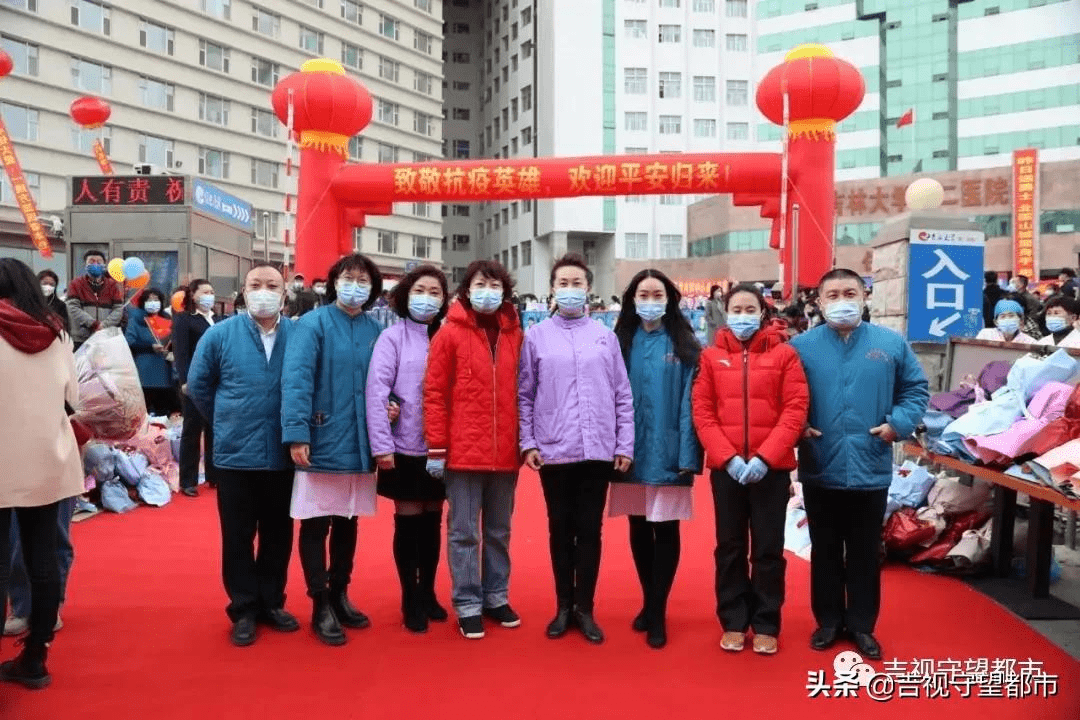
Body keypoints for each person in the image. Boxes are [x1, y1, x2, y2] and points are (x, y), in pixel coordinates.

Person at [790, 269, 929, 661]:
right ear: (819, 302)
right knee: (826, 548)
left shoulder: (890, 344)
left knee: (867, 550)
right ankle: (828, 621)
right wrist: (797, 425)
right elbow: (784, 393)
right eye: (832, 294)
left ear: (865, 296)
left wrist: (897, 425)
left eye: (849, 292)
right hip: (821, 463)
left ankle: (863, 625)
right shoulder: (801, 346)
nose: (841, 300)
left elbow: (915, 388)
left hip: (871, 464)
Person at [518, 255, 634, 646]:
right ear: (552, 288)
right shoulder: (535, 336)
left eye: (577, 282)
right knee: (559, 528)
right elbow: (525, 394)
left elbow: (622, 394)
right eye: (563, 282)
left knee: (590, 530)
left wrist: (624, 443)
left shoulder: (605, 336)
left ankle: (585, 607)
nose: (570, 288)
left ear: (588, 287)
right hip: (554, 448)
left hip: (597, 449)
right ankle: (562, 605)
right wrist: (528, 442)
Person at [692, 283, 808, 656]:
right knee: (729, 545)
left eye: (749, 308)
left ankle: (766, 621)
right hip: (727, 470)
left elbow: (795, 409)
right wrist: (727, 457)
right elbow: (703, 411)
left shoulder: (785, 355)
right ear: (726, 313)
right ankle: (733, 620)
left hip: (769, 470)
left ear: (762, 312)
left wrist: (765, 457)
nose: (743, 315)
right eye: (736, 309)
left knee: (769, 547)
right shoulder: (710, 357)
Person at [187, 263, 298, 647]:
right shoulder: (220, 335)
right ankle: (244, 607)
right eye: (256, 285)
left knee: (278, 534)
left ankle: (272, 602)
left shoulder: (299, 335)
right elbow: (199, 386)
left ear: (284, 294)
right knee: (237, 536)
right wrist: (227, 419)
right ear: (243, 291)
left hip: (285, 454)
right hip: (235, 454)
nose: (263, 291)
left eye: (272, 285)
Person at [282, 253, 383, 646]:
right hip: (322, 434)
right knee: (316, 521)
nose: (354, 285)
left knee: (348, 519)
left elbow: (381, 380)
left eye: (362, 280)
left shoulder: (376, 329)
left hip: (360, 440)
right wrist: (297, 432)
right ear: (333, 281)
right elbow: (297, 380)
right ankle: (319, 601)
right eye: (348, 277)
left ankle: (340, 592)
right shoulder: (312, 324)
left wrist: (390, 404)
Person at [424, 260, 523, 640]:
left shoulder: (514, 333)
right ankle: (467, 602)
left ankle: (496, 595)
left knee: (499, 530)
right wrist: (437, 447)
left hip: (504, 453)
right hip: (463, 454)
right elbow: (434, 393)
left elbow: (524, 389)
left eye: (495, 284)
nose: (488, 290)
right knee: (464, 532)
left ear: (505, 291)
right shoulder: (449, 334)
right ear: (467, 289)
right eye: (480, 283)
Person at [0, 258, 85, 689]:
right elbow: (73, 395)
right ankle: (36, 658)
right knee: (43, 558)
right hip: (48, 455)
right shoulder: (57, 331)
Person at [610, 269, 701, 649]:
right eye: (642, 294)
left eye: (657, 293)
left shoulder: (685, 345)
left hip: (668, 450)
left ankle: (658, 610)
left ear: (670, 298)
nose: (650, 300)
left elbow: (691, 405)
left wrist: (687, 454)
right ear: (631, 299)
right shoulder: (619, 343)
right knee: (637, 528)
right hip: (628, 452)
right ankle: (649, 601)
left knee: (665, 529)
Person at [366, 265, 450, 634]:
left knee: (434, 520)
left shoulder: (449, 336)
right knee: (409, 520)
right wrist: (382, 445)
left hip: (441, 447)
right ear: (405, 294)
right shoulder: (392, 338)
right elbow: (376, 391)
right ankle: (409, 596)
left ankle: (429, 591)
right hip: (404, 445)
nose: (428, 297)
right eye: (421, 289)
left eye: (436, 292)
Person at [173, 279, 219, 497]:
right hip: (194, 382)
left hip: (217, 382)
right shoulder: (184, 320)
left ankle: (214, 473)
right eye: (205, 291)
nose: (210, 295)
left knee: (215, 429)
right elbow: (181, 353)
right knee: (192, 430)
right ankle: (188, 480)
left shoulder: (218, 319)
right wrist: (185, 380)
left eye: (212, 291)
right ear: (193, 295)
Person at [124, 288, 178, 417]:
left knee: (163, 411)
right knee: (143, 411)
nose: (153, 303)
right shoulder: (136, 320)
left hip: (164, 371)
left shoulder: (168, 320)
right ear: (143, 302)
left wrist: (171, 348)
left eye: (156, 299)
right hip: (144, 370)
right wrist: (149, 347)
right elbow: (129, 343)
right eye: (149, 300)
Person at [65, 249, 123, 350]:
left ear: (104, 265)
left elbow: (118, 309)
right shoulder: (76, 283)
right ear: (85, 265)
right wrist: (92, 323)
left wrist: (104, 325)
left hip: (105, 337)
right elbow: (72, 307)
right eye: (91, 262)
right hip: (81, 338)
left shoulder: (112, 285)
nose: (95, 264)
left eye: (99, 262)